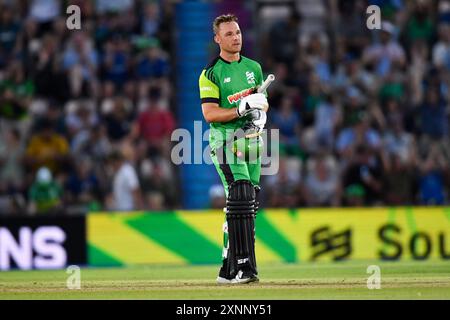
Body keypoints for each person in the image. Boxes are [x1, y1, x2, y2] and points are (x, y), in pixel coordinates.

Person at [198, 14, 269, 284]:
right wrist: (240, 108)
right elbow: (210, 114)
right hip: (226, 142)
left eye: (237, 32)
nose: (235, 37)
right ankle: (242, 266)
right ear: (217, 39)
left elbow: (263, 104)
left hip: (252, 141)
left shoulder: (254, 67)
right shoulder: (211, 73)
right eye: (228, 34)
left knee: (247, 204)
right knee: (240, 196)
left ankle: (229, 271)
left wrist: (259, 114)